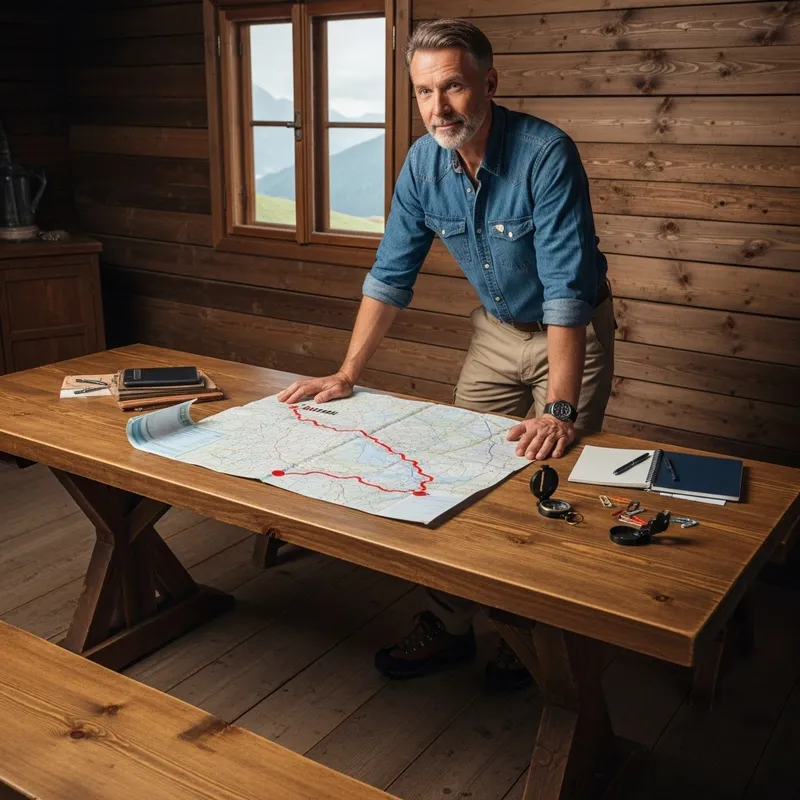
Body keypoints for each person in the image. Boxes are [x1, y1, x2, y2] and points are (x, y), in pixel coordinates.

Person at [278, 18, 615, 689]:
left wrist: (559, 407)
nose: (439, 107)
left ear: (488, 82)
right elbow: (390, 275)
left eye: (454, 86)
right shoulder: (420, 164)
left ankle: (532, 641)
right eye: (424, 92)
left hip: (571, 334)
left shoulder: (547, 153)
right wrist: (349, 373)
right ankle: (452, 624)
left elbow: (565, 292)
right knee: (460, 471)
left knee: (550, 481)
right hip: (494, 331)